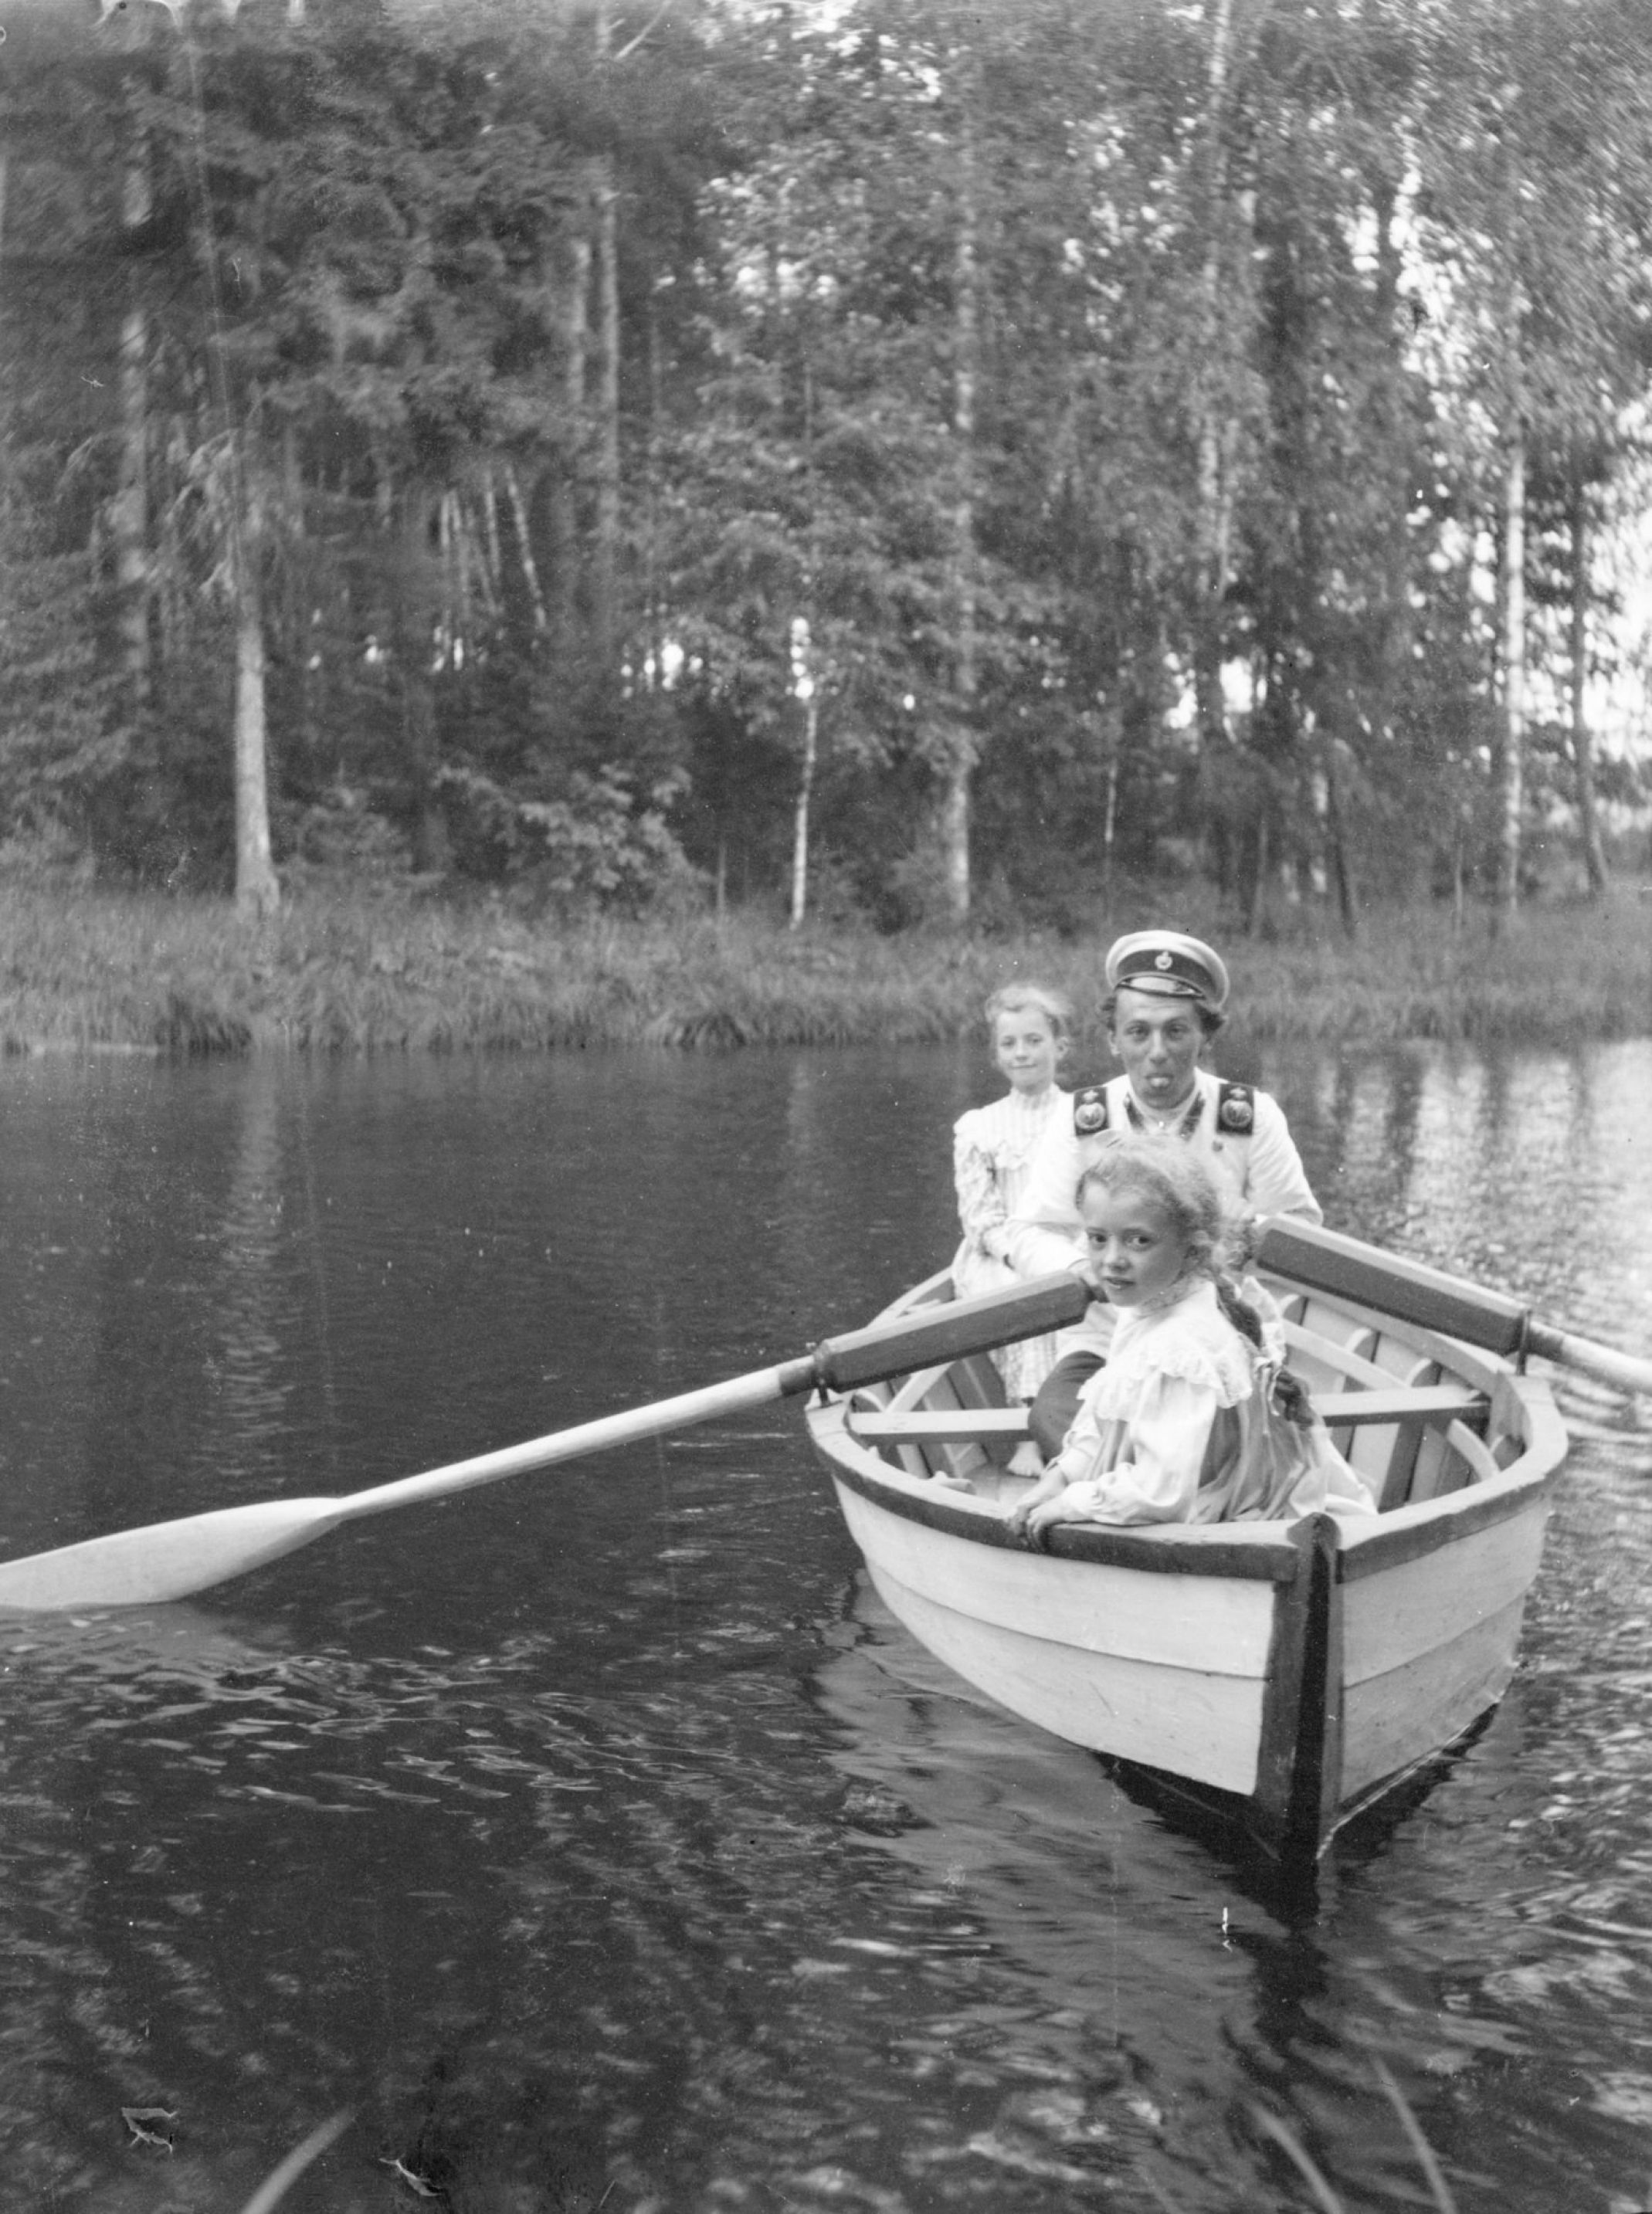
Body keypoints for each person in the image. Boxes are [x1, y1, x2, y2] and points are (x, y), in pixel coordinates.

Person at [1004, 929, 1321, 1459]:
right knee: (1052, 1416)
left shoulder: (1249, 1117)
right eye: (1138, 1032)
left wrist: (1246, 1238)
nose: (1156, 1053)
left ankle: (1141, 1486)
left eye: (1176, 1031)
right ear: (1113, 1039)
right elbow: (1029, 1230)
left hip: (1222, 1337)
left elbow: (1301, 1230)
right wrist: (1083, 1268)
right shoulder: (1081, 1119)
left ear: (1205, 1037)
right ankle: (1144, 1485)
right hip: (1107, 1339)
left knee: (1236, 1433)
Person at [1004, 1139, 1376, 1542]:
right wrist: (1060, 1477)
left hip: (1219, 1511)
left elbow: (1161, 1493)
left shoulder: (1181, 1346)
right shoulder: (1151, 1304)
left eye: (1138, 1240)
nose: (1112, 1259)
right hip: (1190, 1487)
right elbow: (1108, 1416)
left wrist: (1074, 1504)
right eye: (1098, 1238)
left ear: (1192, 1245)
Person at [952, 985, 1074, 1439]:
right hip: (999, 1255)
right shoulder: (978, 1127)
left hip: (1072, 1246)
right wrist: (1024, 1257)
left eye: (1034, 1041)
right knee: (1029, 1295)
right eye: (1009, 1044)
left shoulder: (1082, 1114)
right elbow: (981, 1222)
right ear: (997, 1055)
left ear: (1059, 1047)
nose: (1022, 1053)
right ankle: (1029, 1431)